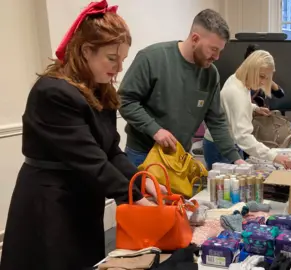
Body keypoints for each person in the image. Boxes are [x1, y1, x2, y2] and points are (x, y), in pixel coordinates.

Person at [0, 1, 157, 269]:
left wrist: (142, 182)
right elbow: (90, 160)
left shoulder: (100, 90)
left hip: (82, 199)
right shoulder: (53, 92)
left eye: (122, 60)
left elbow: (111, 151)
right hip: (51, 204)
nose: (119, 68)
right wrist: (134, 196)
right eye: (112, 58)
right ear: (86, 51)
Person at [119, 9, 244, 168]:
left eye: (220, 51)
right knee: (144, 194)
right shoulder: (152, 58)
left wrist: (235, 158)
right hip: (143, 155)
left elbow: (216, 121)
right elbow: (125, 100)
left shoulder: (211, 74)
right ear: (195, 38)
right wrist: (155, 130)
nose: (217, 57)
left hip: (179, 156)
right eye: (213, 49)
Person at [203, 50, 291, 170]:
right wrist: (274, 157)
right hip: (221, 147)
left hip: (225, 142)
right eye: (261, 76)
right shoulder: (236, 93)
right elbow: (243, 136)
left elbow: (231, 107)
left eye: (266, 78)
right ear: (251, 69)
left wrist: (254, 108)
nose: (263, 82)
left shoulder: (237, 79)